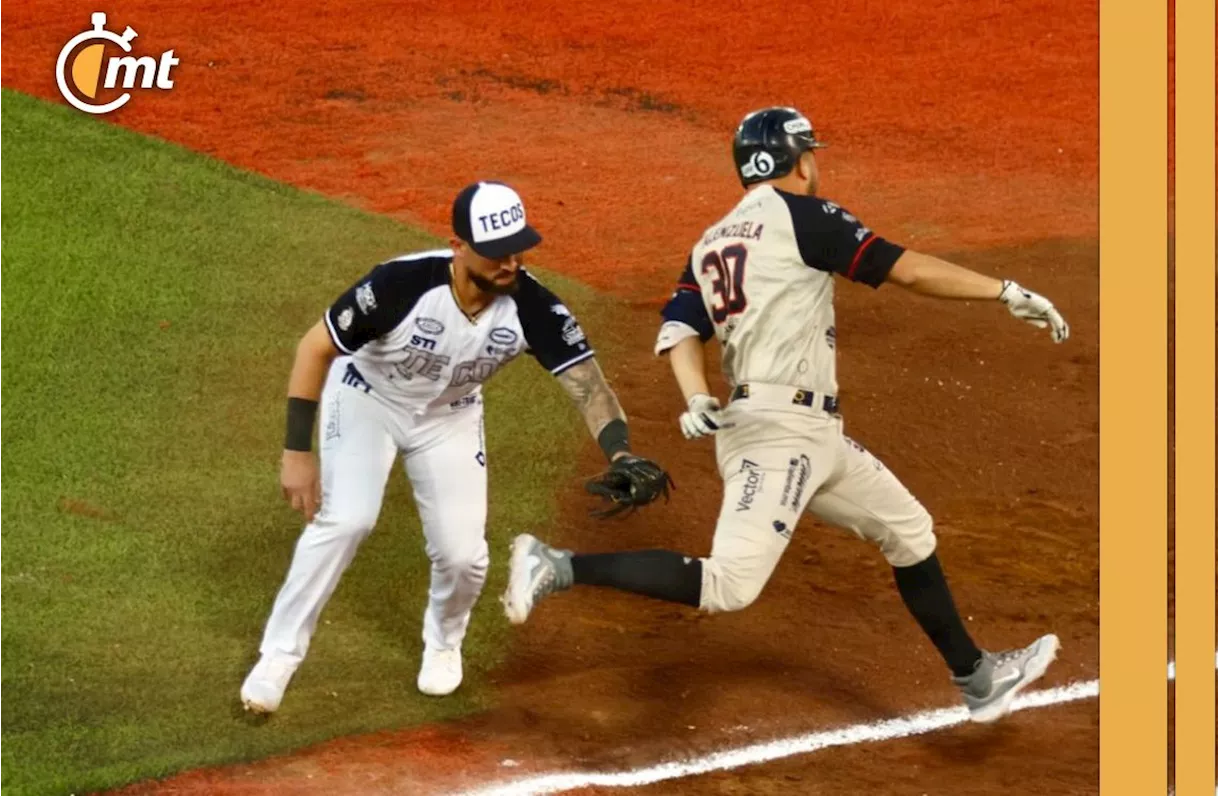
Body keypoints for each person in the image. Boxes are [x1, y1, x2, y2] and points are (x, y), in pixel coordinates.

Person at [501, 107, 1070, 724]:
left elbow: (678, 329)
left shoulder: (712, 240)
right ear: (797, 159)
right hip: (779, 436)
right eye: (811, 153)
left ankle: (976, 676)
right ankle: (557, 566)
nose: (816, 164)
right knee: (729, 585)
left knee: (908, 530)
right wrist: (1005, 292)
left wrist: (695, 394)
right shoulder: (805, 217)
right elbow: (902, 268)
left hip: (810, 430)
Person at [241, 181, 670, 714]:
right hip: (366, 399)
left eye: (518, 247)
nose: (510, 262)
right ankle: (278, 656)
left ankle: (444, 643)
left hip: (450, 414)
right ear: (458, 246)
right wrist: (296, 453)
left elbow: (589, 385)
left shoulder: (533, 306)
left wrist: (621, 452)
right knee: (347, 519)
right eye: (496, 252)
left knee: (463, 556)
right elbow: (315, 348)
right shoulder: (400, 285)